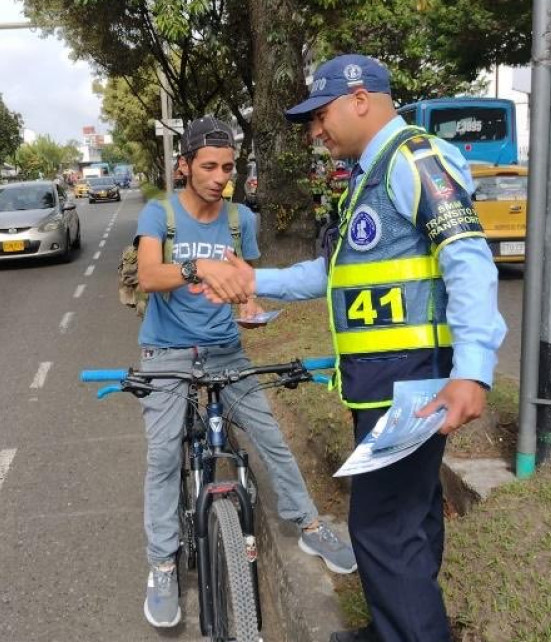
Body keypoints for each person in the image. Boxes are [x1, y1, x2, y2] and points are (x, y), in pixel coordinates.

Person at [199, 55, 506, 642]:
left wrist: (473, 370)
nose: (316, 130)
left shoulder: (416, 160)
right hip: (385, 383)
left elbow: (467, 260)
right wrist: (252, 279)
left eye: (321, 114)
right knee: (407, 519)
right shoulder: (370, 175)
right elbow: (334, 275)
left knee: (383, 527)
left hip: (410, 383)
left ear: (360, 98)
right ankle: (396, 626)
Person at [135, 116, 358, 630]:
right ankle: (163, 564)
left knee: (269, 436)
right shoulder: (159, 214)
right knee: (164, 454)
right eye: (209, 166)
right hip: (165, 354)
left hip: (225, 351)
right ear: (185, 165)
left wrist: (248, 306)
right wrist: (196, 268)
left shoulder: (240, 220)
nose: (219, 176)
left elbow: (246, 282)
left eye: (228, 167)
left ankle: (308, 524)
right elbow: (149, 275)